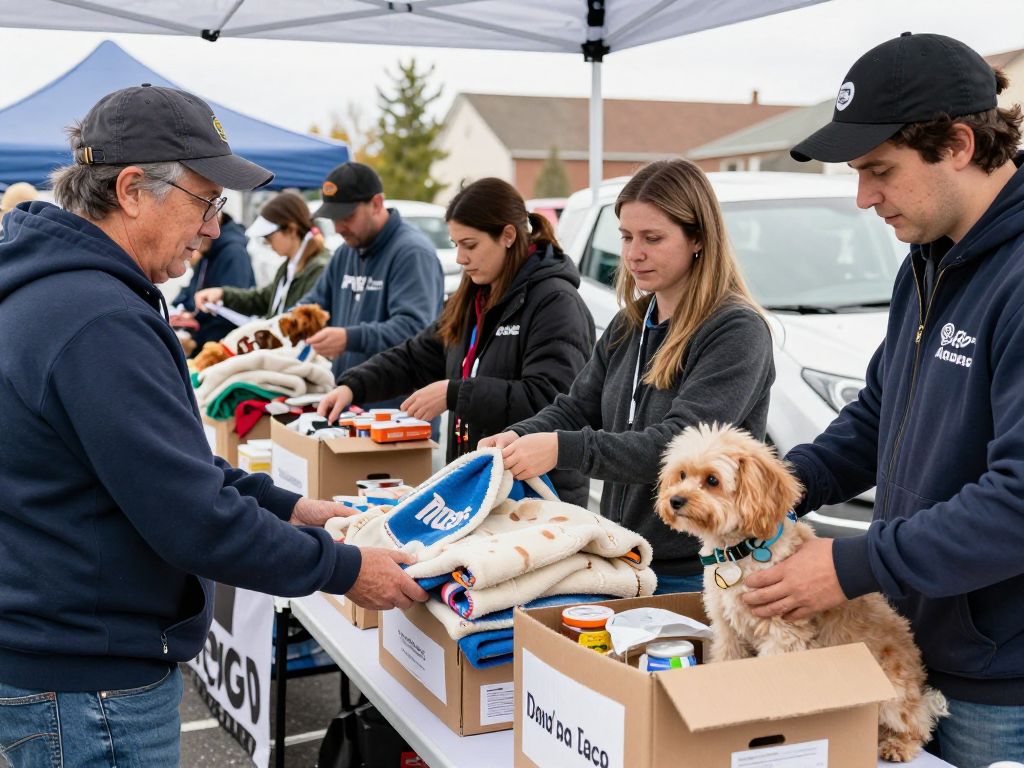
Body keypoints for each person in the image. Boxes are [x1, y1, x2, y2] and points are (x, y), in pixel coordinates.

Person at [0, 85, 426, 765]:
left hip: (67, 660)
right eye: (206, 201)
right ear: (132, 190)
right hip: (91, 684)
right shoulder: (97, 317)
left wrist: (289, 507)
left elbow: (164, 468)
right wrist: (344, 568)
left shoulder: (70, 293)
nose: (214, 228)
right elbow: (191, 517)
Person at [738, 33, 1024, 767]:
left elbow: (1018, 500)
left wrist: (852, 564)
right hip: (911, 643)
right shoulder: (926, 261)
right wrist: (773, 489)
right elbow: (877, 416)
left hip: (1001, 686)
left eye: (879, 170)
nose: (864, 198)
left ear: (958, 144)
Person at [481, 158, 774, 592]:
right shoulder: (630, 323)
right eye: (626, 237)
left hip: (698, 571)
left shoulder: (736, 331)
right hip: (628, 556)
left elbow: (677, 446)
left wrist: (561, 449)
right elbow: (577, 407)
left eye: (653, 238)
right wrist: (520, 436)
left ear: (698, 237)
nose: (634, 253)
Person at [318, 177, 596, 506]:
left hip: (537, 497)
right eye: (456, 245)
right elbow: (417, 356)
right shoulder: (474, 298)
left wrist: (455, 393)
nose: (461, 258)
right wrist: (354, 386)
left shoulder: (555, 303)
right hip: (480, 487)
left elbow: (552, 399)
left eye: (470, 245)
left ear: (508, 236)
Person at [298, 161, 445, 409]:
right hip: (349, 404)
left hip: (398, 415)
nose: (338, 228)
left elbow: (415, 330)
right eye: (333, 218)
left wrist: (349, 338)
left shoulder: (412, 253)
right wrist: (290, 321)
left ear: (376, 204)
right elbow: (315, 303)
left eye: (347, 216)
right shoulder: (345, 252)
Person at [193, 191, 331, 320]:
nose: (267, 243)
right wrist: (223, 294)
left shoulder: (318, 269)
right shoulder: (290, 265)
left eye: (268, 237)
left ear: (291, 230)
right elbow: (263, 299)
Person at [170, 210, 255, 353]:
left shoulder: (234, 253)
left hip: (221, 345)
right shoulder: (208, 251)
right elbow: (193, 290)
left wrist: (195, 341)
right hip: (204, 338)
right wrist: (185, 311)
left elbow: (230, 312)